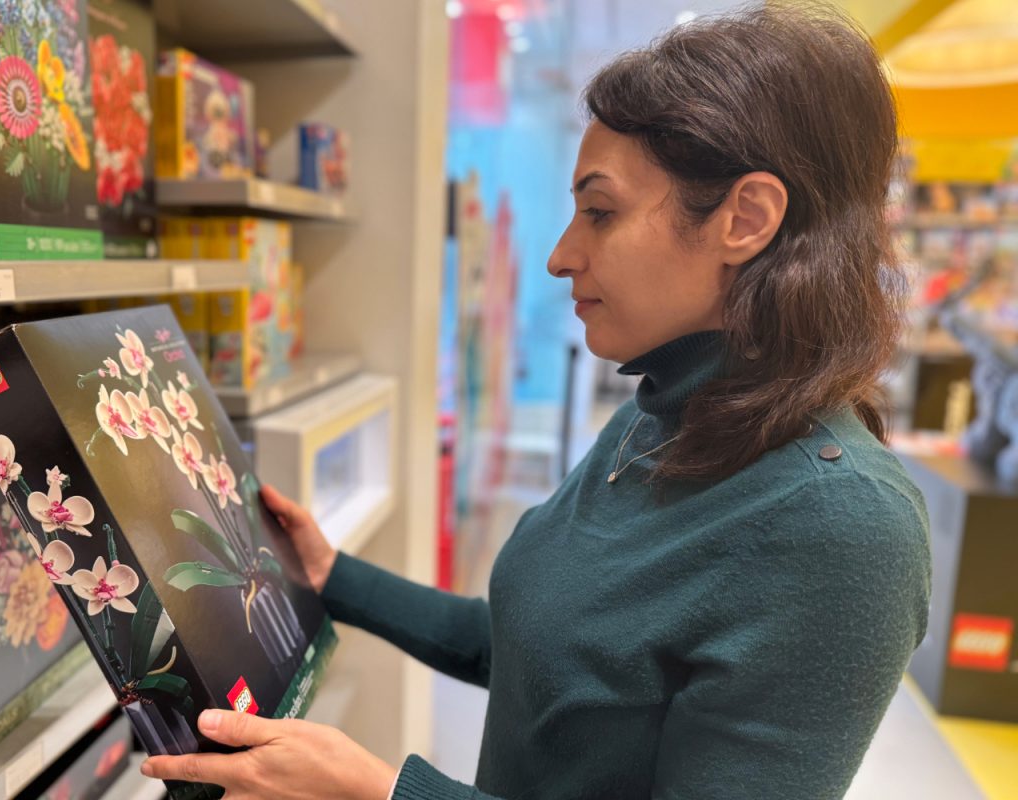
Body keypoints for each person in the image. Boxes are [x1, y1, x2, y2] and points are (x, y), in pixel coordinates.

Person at [140, 5, 932, 798]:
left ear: (746, 219)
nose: (560, 256)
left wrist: (380, 793)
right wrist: (331, 574)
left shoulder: (843, 528)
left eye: (601, 212)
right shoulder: (656, 421)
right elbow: (542, 650)